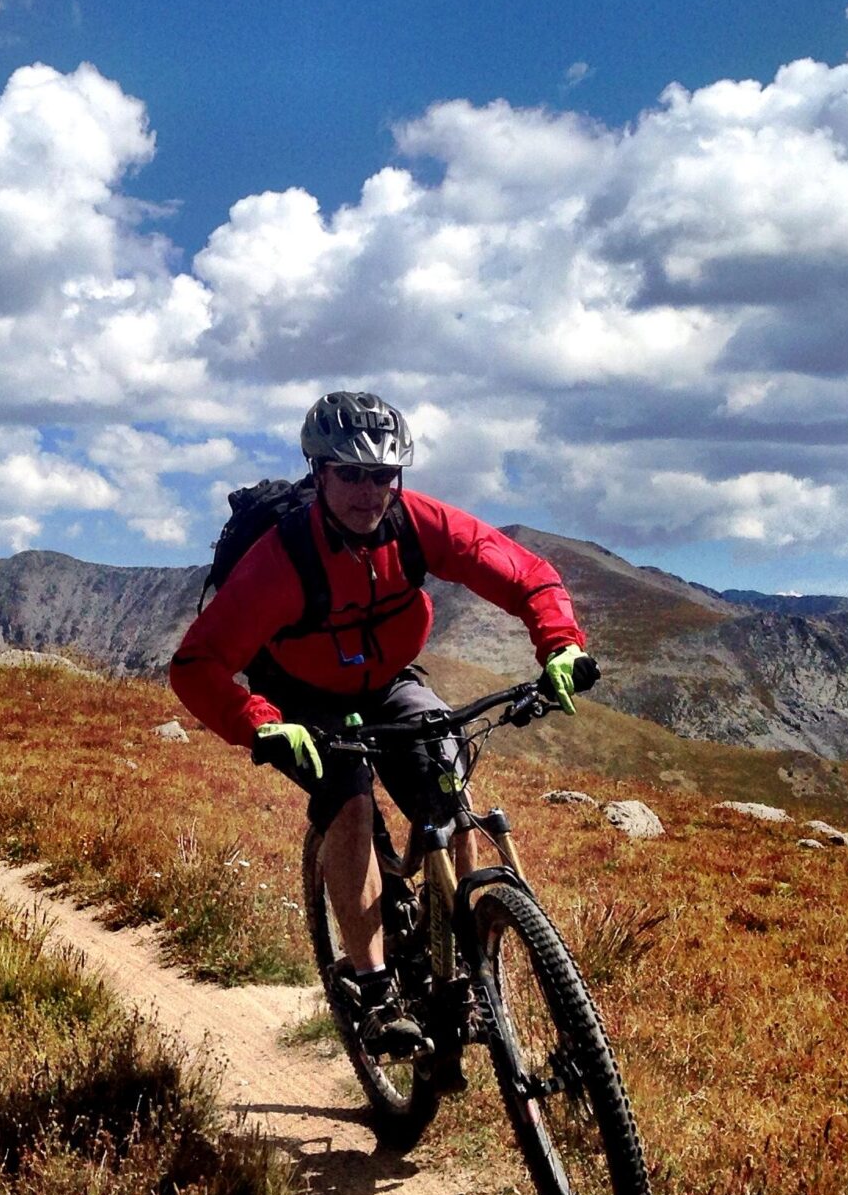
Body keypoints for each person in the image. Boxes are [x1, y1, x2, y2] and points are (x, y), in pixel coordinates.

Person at [169, 390, 594, 1057]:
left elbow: (524, 575)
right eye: (352, 474)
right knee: (348, 797)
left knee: (448, 778)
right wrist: (259, 723)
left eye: (384, 475)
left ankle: (469, 964)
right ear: (319, 474)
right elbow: (196, 664)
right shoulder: (281, 561)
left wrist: (560, 643)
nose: (371, 492)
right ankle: (370, 988)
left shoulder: (413, 524)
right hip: (302, 699)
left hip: (387, 680)